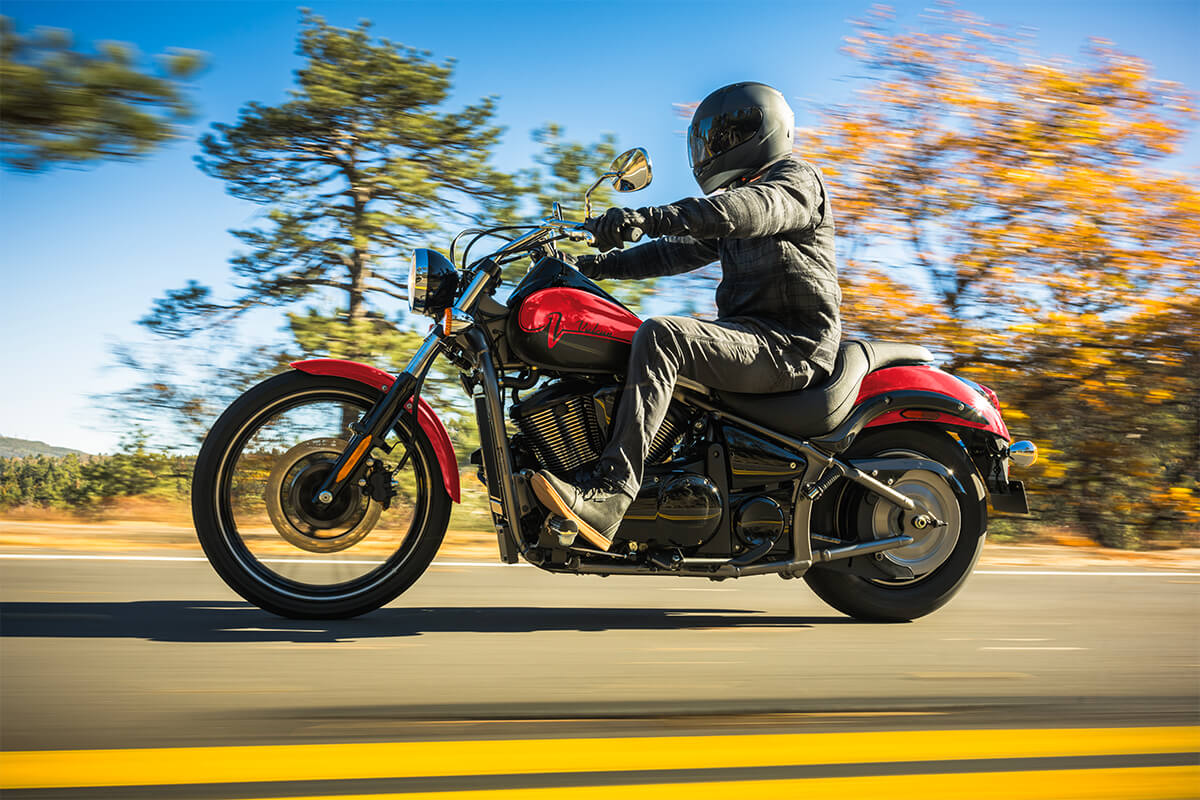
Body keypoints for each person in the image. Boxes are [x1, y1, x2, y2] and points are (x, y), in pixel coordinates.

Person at [530, 81, 841, 551]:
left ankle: (612, 493)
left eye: (723, 137)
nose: (712, 150)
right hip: (749, 337)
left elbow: (749, 211)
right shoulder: (734, 204)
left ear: (760, 129)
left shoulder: (794, 183)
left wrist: (651, 216)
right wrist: (592, 266)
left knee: (662, 336)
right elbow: (670, 255)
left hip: (790, 345)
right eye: (708, 141)